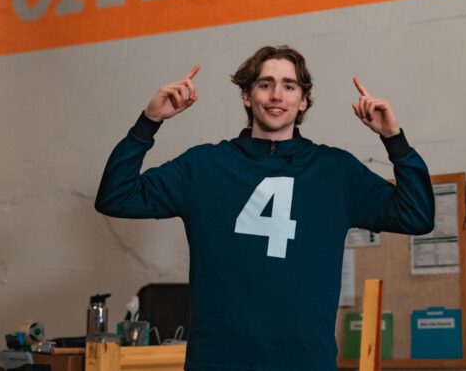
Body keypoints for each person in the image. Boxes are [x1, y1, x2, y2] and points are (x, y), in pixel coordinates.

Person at [95, 45, 435, 371]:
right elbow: (116, 196)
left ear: (303, 101)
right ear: (247, 96)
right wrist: (149, 120)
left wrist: (393, 137)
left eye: (289, 86)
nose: (277, 95)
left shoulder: (336, 171)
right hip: (218, 362)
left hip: (305, 364)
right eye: (265, 84)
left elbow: (416, 215)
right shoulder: (203, 166)